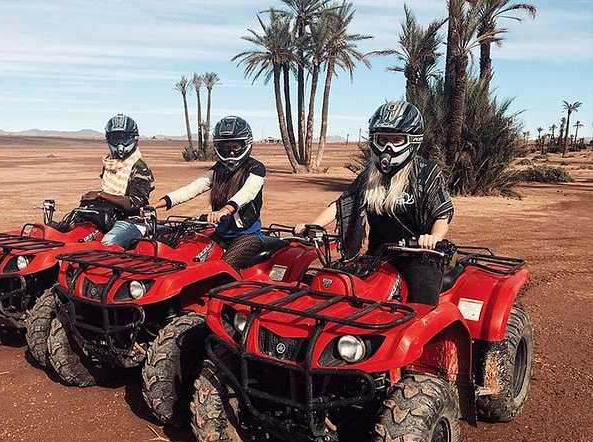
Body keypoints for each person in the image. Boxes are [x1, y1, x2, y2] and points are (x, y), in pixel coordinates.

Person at [295, 100, 454, 305]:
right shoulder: (370, 175)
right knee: (344, 292)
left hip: (419, 256)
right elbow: (342, 204)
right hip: (378, 256)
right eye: (383, 139)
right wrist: (313, 226)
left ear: (413, 140)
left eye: (397, 140)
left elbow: (442, 213)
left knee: (421, 307)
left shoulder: (426, 172)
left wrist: (432, 238)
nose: (388, 147)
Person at [153, 115, 265, 270]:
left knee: (221, 268)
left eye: (235, 146)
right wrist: (155, 205)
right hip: (221, 234)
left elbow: (247, 193)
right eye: (226, 147)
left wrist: (224, 210)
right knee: (188, 255)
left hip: (247, 235)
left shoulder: (256, 169)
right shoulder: (217, 170)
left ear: (246, 144)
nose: (231, 152)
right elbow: (191, 189)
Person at [81, 114, 155, 247]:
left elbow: (134, 203)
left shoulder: (140, 167)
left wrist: (100, 195)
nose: (120, 144)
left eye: (125, 138)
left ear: (134, 140)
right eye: (115, 138)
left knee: (108, 242)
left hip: (133, 220)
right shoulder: (110, 163)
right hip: (108, 215)